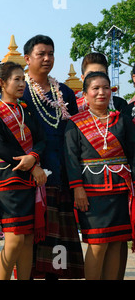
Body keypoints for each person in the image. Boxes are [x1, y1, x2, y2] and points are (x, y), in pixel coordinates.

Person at [21, 34, 84, 279]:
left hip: (60, 174)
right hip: (30, 175)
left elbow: (74, 134)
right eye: (41, 54)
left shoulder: (65, 92)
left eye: (51, 53)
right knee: (28, 242)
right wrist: (34, 163)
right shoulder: (21, 90)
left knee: (57, 247)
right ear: (27, 58)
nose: (47, 58)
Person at [65, 71, 135, 280]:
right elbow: (70, 158)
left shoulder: (121, 120)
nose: (101, 93)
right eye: (95, 88)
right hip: (91, 192)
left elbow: (133, 154)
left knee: (116, 243)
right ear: (85, 95)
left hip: (120, 191)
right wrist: (77, 188)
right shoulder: (75, 124)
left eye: (105, 88)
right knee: (97, 244)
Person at [0, 61, 47, 280]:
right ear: (2, 83)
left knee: (27, 239)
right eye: (17, 79)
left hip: (29, 181)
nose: (22, 83)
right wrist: (32, 165)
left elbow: (41, 140)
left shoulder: (26, 110)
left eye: (24, 79)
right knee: (14, 240)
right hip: (7, 179)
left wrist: (33, 157)